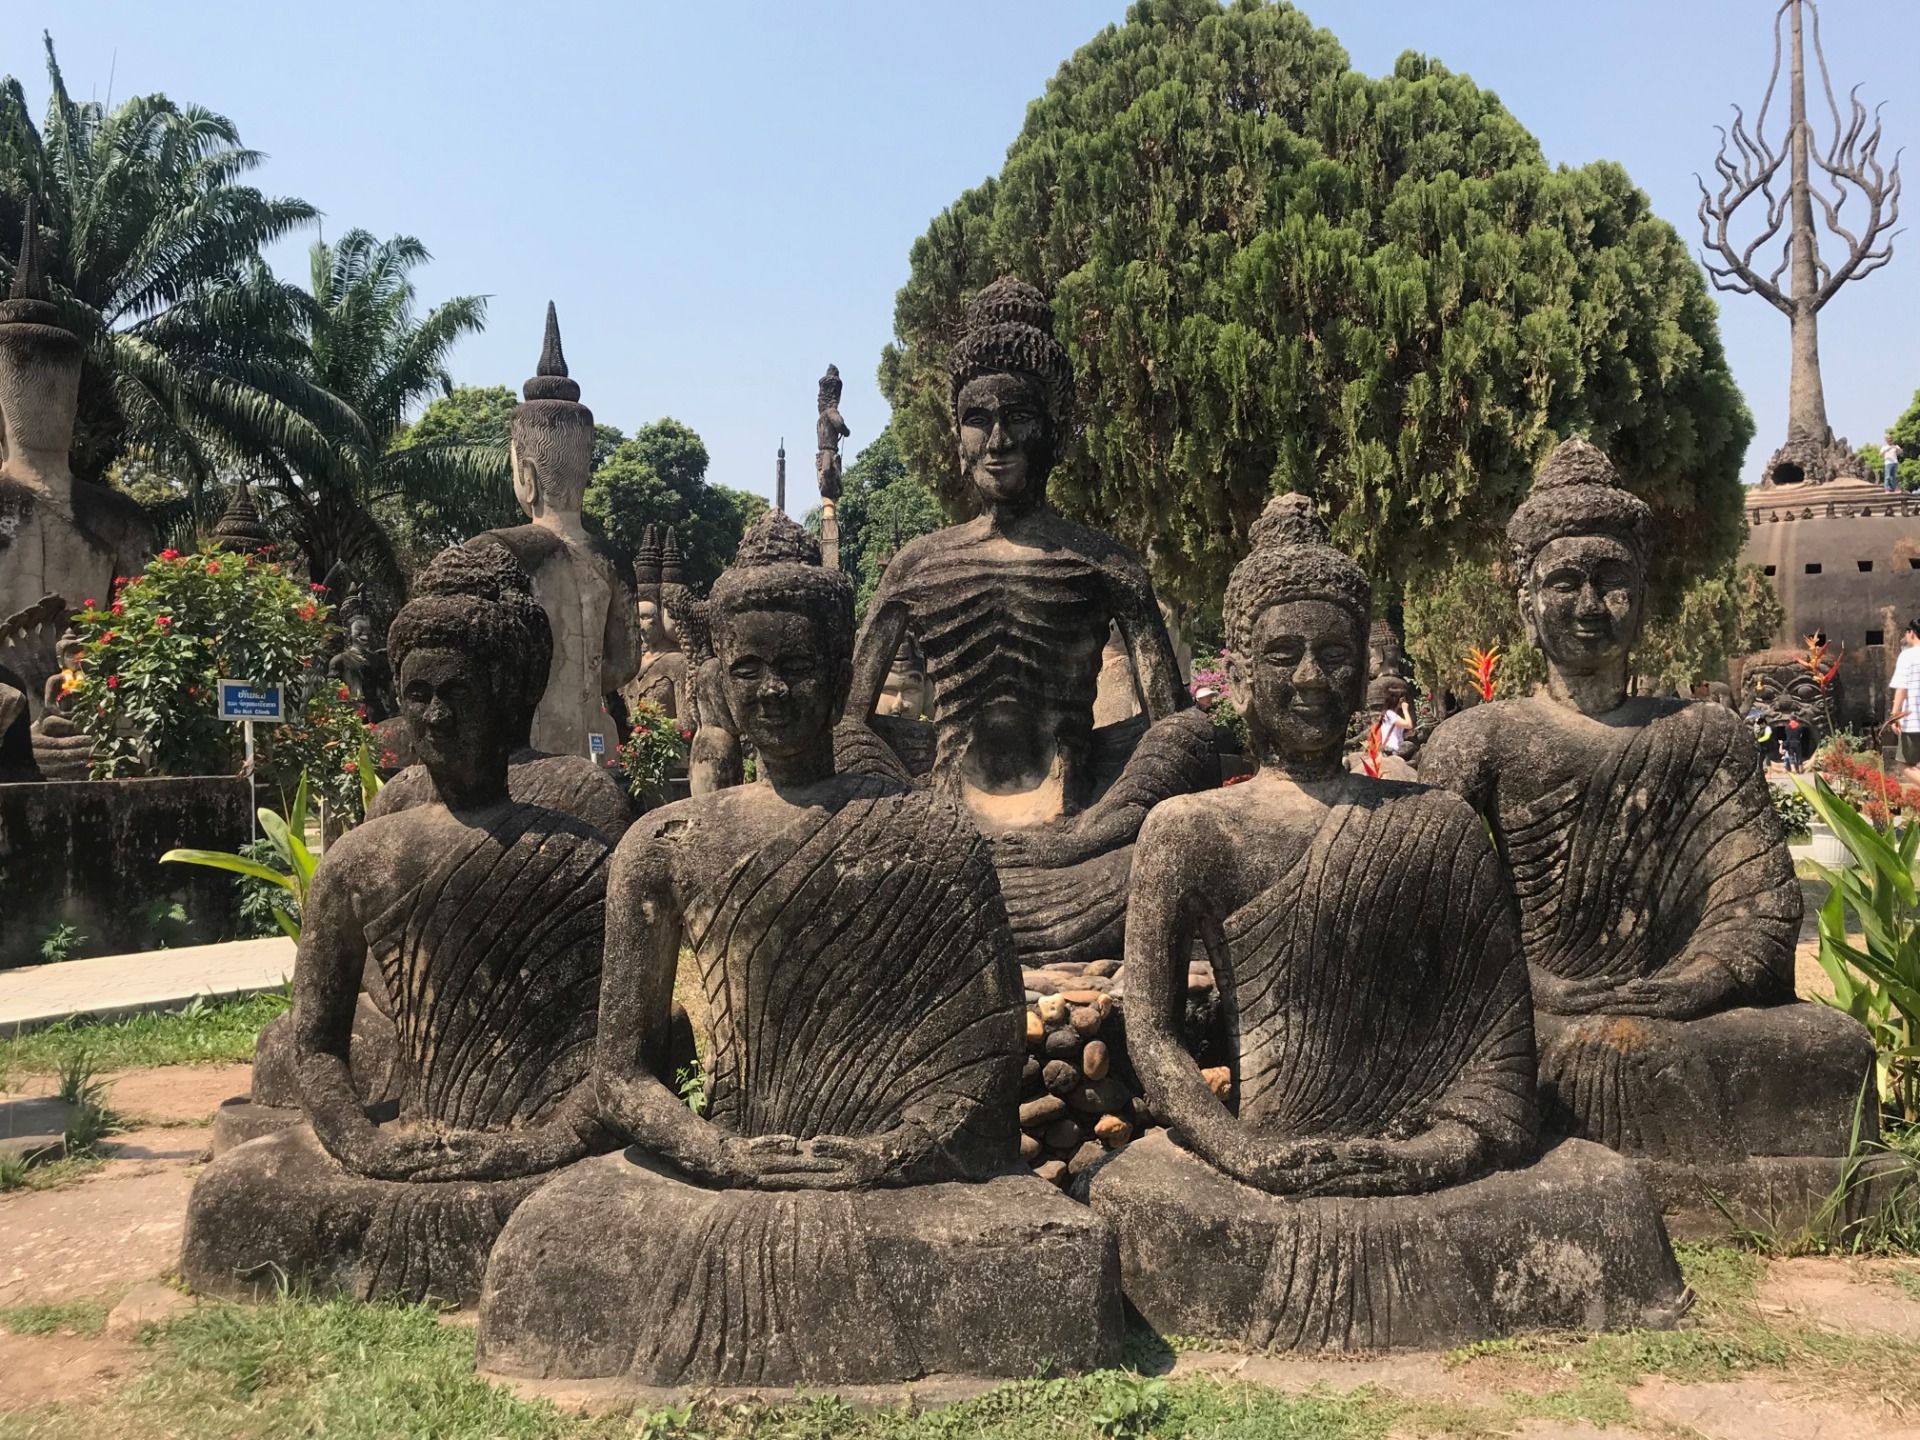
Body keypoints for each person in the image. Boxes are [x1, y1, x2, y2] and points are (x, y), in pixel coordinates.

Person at [1885, 619, 1920, 781]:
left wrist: (1894, 716)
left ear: (1912, 633)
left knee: (1904, 764)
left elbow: (1902, 688)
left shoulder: (1907, 656)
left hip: (1914, 722)